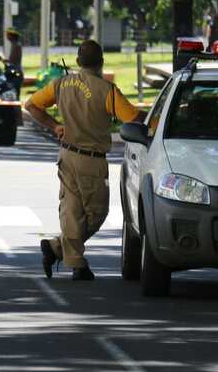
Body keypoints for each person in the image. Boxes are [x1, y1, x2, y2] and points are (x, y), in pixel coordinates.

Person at [25, 39, 146, 281]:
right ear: (101, 62)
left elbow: (31, 105)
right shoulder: (106, 91)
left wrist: (55, 126)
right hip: (91, 161)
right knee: (96, 214)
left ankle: (64, 253)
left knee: (72, 211)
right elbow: (132, 118)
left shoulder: (61, 84)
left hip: (67, 155)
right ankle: (72, 260)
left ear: (78, 62)